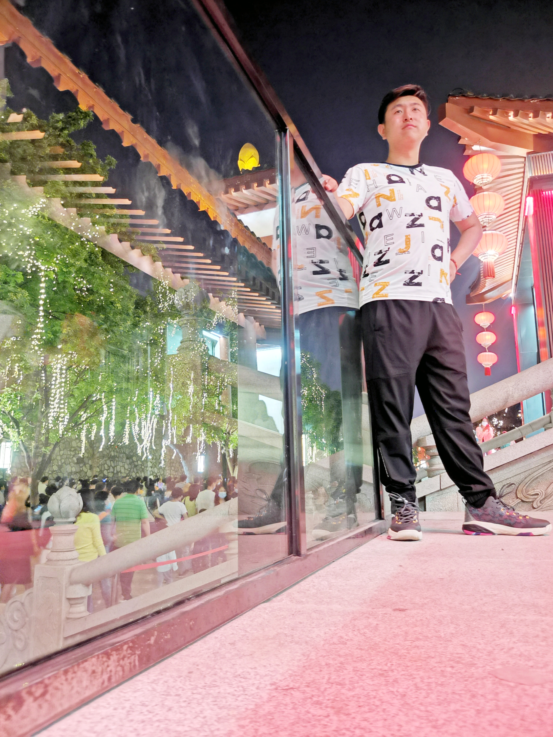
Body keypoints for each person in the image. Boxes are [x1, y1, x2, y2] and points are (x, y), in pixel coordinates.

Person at [322, 83, 551, 540]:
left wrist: (454, 261)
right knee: (393, 405)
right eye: (398, 110)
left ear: (427, 125)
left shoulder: (444, 179)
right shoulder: (365, 173)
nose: (408, 115)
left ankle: (480, 503)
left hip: (439, 305)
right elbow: (340, 210)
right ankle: (403, 504)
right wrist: (329, 191)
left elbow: (472, 227)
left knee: (453, 408)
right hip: (386, 300)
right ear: (382, 127)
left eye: (416, 110)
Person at [111, 478, 150, 600]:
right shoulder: (139, 502)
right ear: (137, 490)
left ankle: (118, 592)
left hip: (119, 541)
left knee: (119, 568)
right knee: (128, 570)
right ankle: (125, 593)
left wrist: (112, 535)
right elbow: (144, 522)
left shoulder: (118, 502)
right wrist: (148, 537)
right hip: (133, 541)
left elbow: (112, 522)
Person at [75, 489, 108, 610]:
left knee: (82, 595)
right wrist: (106, 559)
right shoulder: (92, 518)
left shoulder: (72, 518)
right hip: (90, 561)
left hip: (75, 561)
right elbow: (98, 542)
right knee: (90, 594)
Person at [158, 489, 190, 580]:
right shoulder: (181, 505)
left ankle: (168, 575)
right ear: (180, 496)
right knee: (181, 552)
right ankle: (181, 571)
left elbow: (156, 512)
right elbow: (186, 518)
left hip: (168, 530)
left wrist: (164, 519)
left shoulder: (165, 505)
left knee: (169, 553)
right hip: (178, 531)